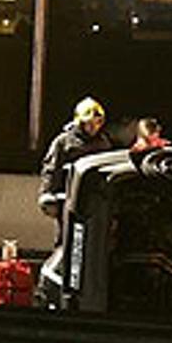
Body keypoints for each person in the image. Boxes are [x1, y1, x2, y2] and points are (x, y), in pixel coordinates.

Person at [37, 96, 112, 245]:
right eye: (89, 123)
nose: (94, 127)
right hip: (69, 199)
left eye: (97, 123)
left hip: (95, 201)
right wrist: (47, 194)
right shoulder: (63, 142)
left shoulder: (103, 143)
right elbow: (51, 169)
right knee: (66, 240)